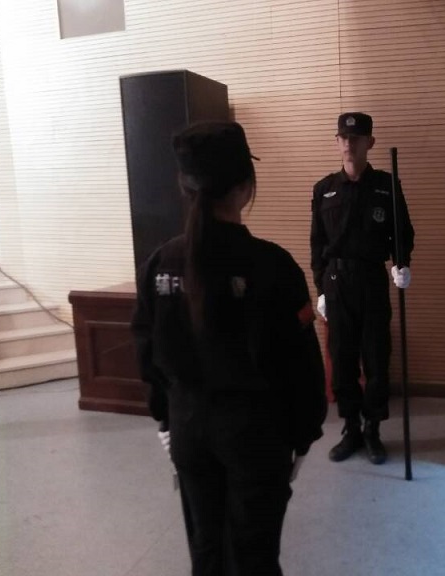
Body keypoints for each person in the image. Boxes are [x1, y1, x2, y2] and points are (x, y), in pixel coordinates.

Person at [131, 121, 327, 576]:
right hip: (255, 435)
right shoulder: (272, 266)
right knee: (255, 558)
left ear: (185, 187)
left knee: (206, 552)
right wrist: (303, 435)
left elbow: (146, 348)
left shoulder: (160, 264)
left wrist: (165, 417)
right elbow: (300, 365)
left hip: (188, 428)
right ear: (244, 187)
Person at [310, 112, 414, 465]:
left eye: (356, 138)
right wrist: (320, 289)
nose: (350, 144)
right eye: (344, 137)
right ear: (337, 142)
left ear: (370, 142)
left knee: (376, 358)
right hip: (336, 283)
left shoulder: (386, 185)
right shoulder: (324, 189)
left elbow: (402, 232)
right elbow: (317, 244)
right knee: (342, 360)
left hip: (371, 280)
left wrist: (402, 263)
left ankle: (372, 430)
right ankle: (351, 428)